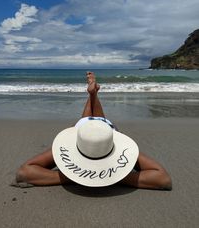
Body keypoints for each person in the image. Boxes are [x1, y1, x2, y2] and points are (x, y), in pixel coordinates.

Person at [14, 72, 172, 190]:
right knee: (97, 124)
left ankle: (93, 94)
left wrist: (71, 176)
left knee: (91, 123)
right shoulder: (111, 142)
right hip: (97, 134)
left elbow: (24, 172)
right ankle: (93, 94)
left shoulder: (81, 141)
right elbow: (162, 179)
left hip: (92, 134)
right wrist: (117, 175)